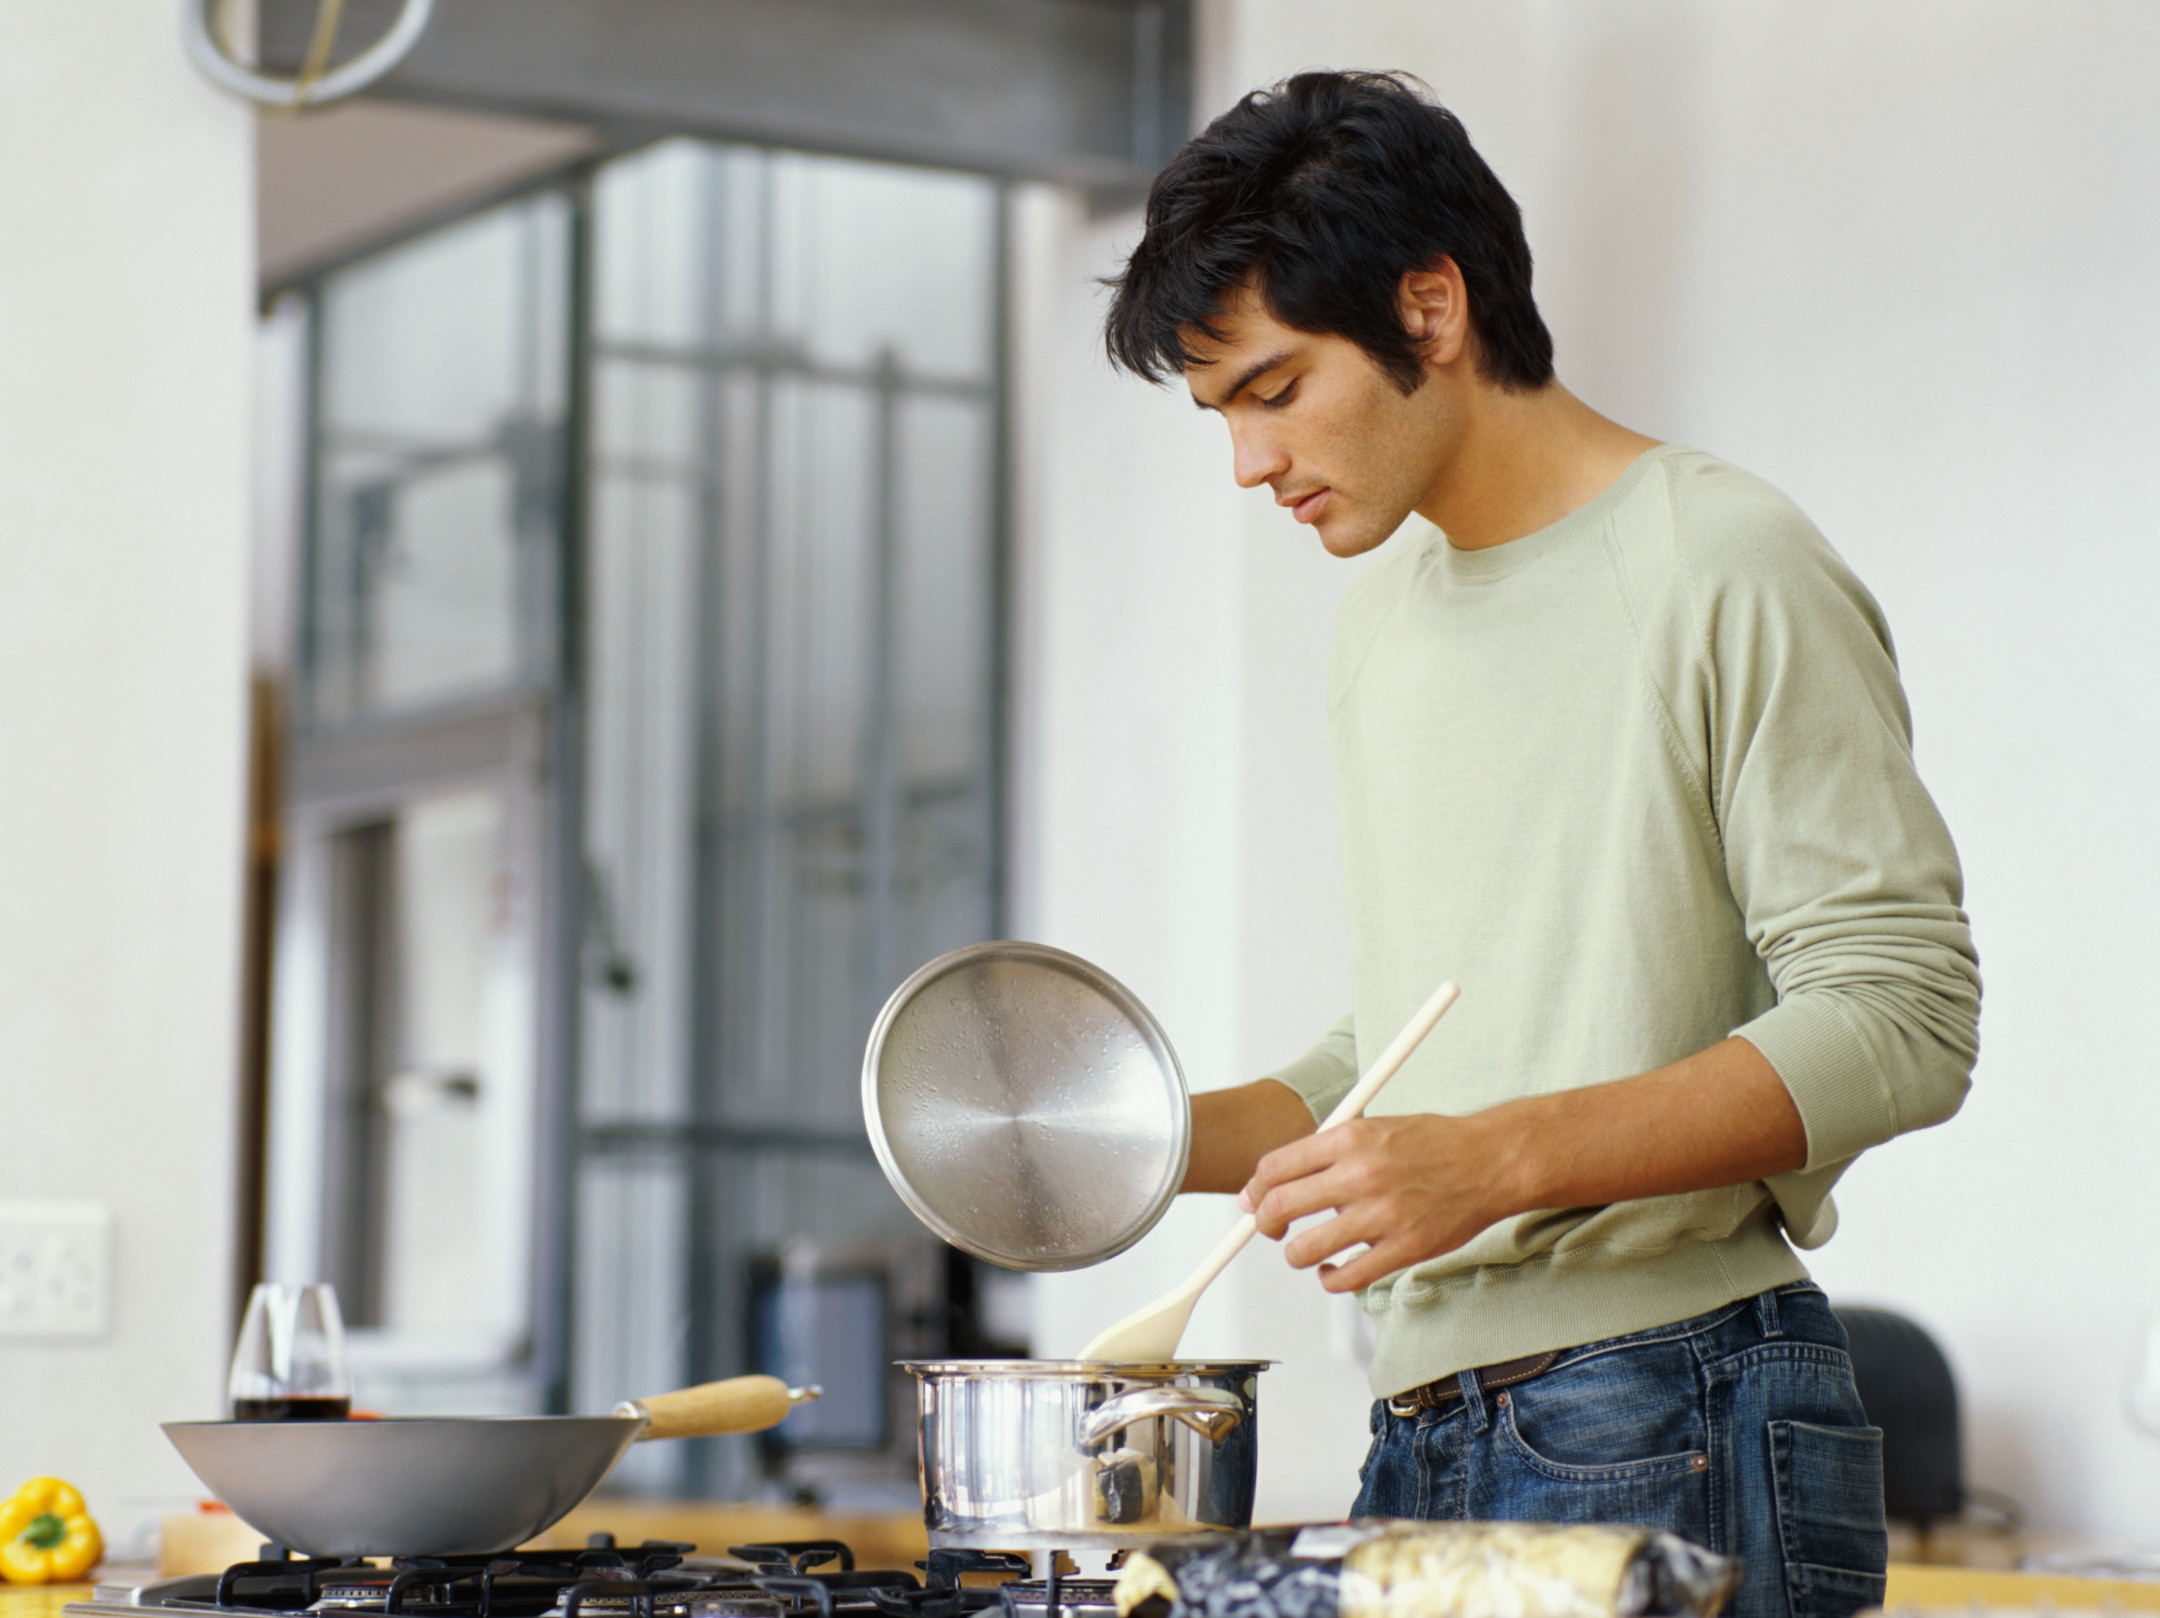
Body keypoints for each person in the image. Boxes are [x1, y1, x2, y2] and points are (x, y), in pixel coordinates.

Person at [1102, 71, 1979, 1618]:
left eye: (1273, 388)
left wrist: (1496, 1161)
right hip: (1420, 1428)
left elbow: (1902, 1014)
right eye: (1220, 412)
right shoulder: (1381, 629)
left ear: (1430, 307)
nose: (1249, 463)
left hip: (1679, 1408)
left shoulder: (1719, 558)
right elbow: (1399, 1057)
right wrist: (1121, 1144)